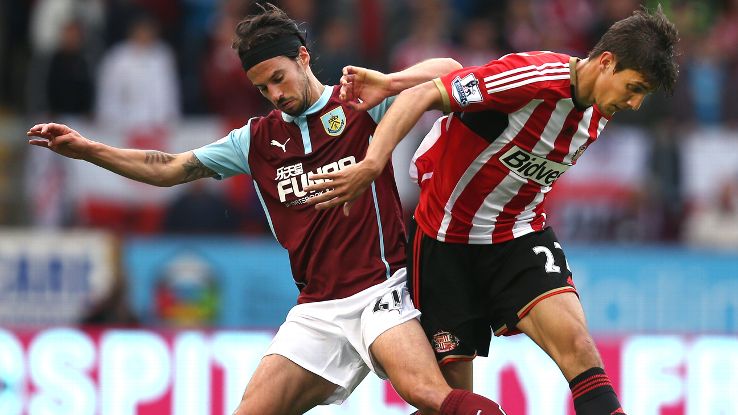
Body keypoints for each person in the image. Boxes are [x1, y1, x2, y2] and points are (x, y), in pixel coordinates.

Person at [26, 4, 507, 415]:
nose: (275, 94)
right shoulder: (255, 140)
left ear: (303, 57)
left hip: (382, 289)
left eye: (278, 78)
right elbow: (169, 166)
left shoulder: (358, 102)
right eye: (263, 88)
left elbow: (449, 69)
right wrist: (89, 150)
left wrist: (391, 82)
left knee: (426, 395)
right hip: (317, 309)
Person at [306, 6, 679, 415]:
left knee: (578, 347)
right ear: (606, 62)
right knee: (451, 404)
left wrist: (392, 80)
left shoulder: (600, 109)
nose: (635, 103)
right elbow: (427, 93)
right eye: (634, 87)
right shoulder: (531, 78)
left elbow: (455, 75)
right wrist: (373, 163)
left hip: (518, 236)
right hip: (445, 242)